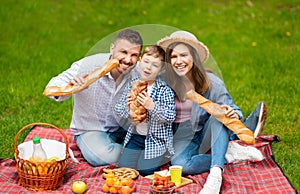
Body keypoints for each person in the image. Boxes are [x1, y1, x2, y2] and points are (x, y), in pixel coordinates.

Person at [157, 31, 267, 193]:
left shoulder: (211, 82)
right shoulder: (162, 80)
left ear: (194, 57)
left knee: (219, 116)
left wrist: (231, 113)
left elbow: (232, 108)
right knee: (181, 166)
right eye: (174, 57)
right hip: (181, 138)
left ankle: (216, 175)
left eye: (184, 55)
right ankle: (229, 154)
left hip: (205, 132)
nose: (179, 61)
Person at [44, 29, 143, 166]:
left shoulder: (140, 70)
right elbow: (51, 87)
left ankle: (135, 152)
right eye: (124, 52)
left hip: (125, 127)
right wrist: (71, 87)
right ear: (112, 48)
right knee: (102, 157)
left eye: (134, 55)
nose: (128, 60)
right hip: (91, 129)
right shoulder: (88, 66)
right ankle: (140, 155)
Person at [114, 45, 176, 176]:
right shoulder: (133, 84)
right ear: (140, 61)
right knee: (124, 168)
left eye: (155, 65)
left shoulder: (164, 90)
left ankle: (161, 156)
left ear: (160, 70)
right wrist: (128, 106)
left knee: (145, 171)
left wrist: (152, 106)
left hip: (156, 140)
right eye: (146, 62)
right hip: (135, 136)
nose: (148, 67)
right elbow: (118, 109)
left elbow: (170, 116)